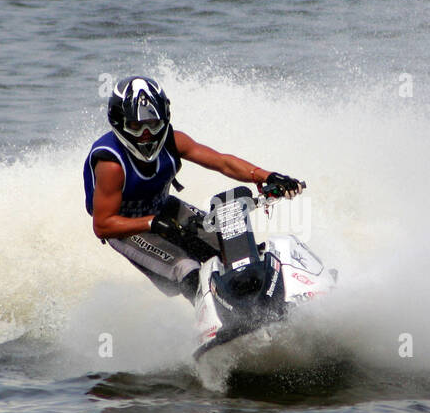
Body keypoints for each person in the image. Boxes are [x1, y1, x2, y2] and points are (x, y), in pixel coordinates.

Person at [83, 76, 302, 299]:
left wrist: (269, 176)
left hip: (164, 209)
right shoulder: (111, 165)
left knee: (235, 247)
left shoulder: (174, 141)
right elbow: (102, 225)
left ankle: (270, 296)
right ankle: (217, 322)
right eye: (136, 127)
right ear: (119, 122)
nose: (145, 135)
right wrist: (152, 223)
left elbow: (222, 162)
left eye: (153, 124)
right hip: (126, 228)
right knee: (187, 269)